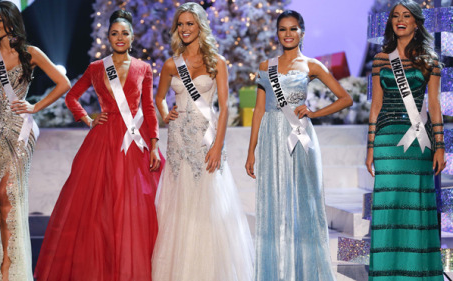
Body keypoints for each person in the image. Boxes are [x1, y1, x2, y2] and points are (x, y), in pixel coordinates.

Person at [33, 10, 163, 281]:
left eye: (124, 33)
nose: (119, 37)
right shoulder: (96, 68)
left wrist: (153, 144)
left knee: (136, 207)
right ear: (108, 37)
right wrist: (87, 119)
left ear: (132, 36)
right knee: (100, 207)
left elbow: (149, 108)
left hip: (134, 141)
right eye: (114, 33)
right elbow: (72, 97)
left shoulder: (143, 68)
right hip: (103, 141)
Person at [0, 1, 70, 280]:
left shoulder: (30, 53)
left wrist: (35, 106)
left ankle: (9, 266)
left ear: (11, 22)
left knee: (9, 195)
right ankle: (0, 259)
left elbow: (63, 84)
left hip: (20, 129)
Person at [245, 10, 353, 281]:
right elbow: (259, 111)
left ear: (302, 32)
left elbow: (345, 98)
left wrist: (314, 113)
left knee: (304, 202)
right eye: (283, 29)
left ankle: (306, 273)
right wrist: (251, 150)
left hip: (300, 137)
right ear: (277, 33)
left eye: (293, 29)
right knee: (276, 203)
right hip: (271, 137)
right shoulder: (264, 66)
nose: (288, 34)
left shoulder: (312, 65)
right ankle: (279, 272)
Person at [151, 2, 253, 281]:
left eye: (190, 24)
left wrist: (218, 145)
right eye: (180, 24)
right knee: (179, 206)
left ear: (200, 27)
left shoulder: (216, 62)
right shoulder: (172, 64)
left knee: (209, 205)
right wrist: (164, 112)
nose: (184, 29)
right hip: (178, 144)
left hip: (206, 141)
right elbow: (159, 97)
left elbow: (225, 106)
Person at [365, 1, 446, 280]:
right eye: (395, 16)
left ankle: (414, 274)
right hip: (387, 143)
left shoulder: (430, 60)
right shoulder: (380, 59)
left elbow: (434, 106)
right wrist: (370, 146)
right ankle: (387, 274)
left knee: (414, 206)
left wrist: (440, 146)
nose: (400, 20)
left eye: (406, 16)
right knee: (388, 206)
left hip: (417, 144)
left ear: (416, 22)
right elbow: (375, 106)